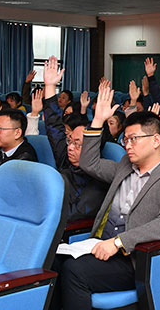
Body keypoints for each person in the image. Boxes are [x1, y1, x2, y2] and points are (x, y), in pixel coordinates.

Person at [51, 86, 160, 310]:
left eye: (133, 139)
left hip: (134, 258)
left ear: (156, 140)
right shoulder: (126, 164)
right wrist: (97, 121)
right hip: (98, 244)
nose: (127, 145)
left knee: (74, 271)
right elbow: (89, 164)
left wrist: (118, 243)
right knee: (52, 262)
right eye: (126, 139)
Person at [41, 56, 108, 221]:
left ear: (92, 148)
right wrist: (50, 86)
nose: (70, 147)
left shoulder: (98, 182)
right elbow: (54, 127)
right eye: (70, 141)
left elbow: (73, 216)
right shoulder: (67, 160)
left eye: (77, 144)